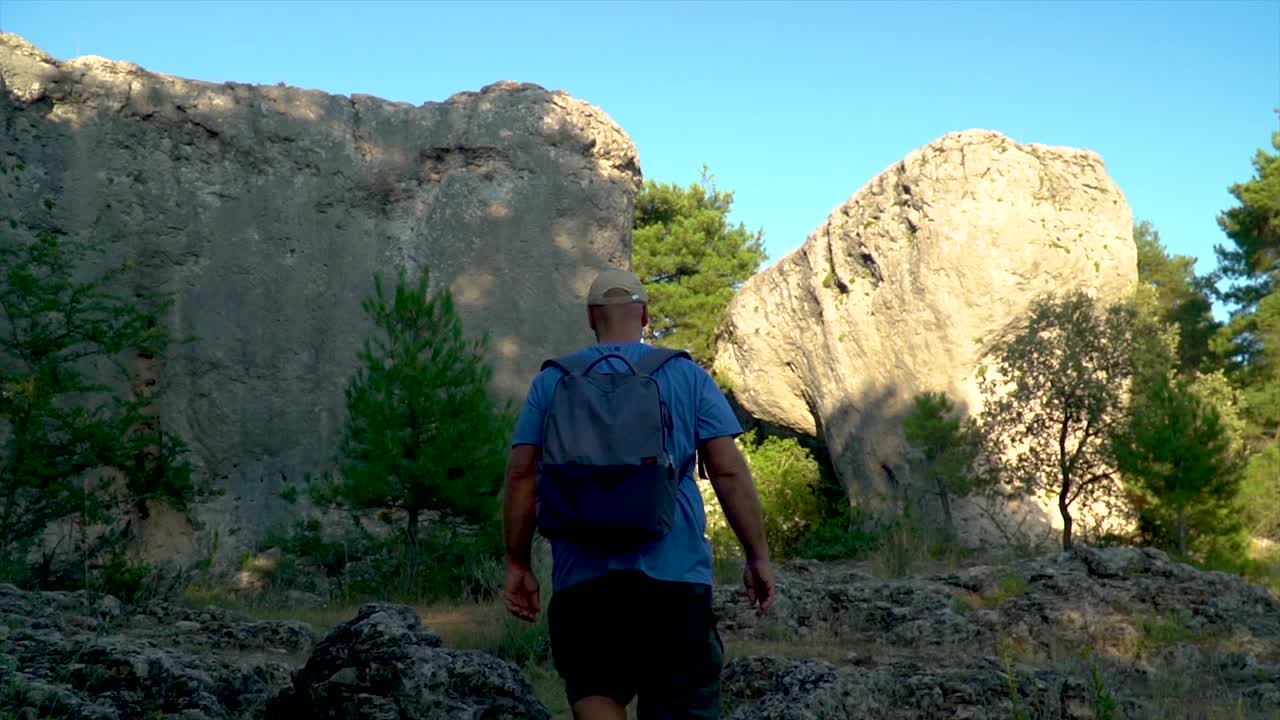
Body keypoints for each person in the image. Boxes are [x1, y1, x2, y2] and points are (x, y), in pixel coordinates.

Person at [501, 267, 776, 720]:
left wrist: (517, 563)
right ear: (645, 315)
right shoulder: (686, 375)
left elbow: (521, 475)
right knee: (680, 701)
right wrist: (756, 556)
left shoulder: (552, 381)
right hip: (674, 581)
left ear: (592, 318)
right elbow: (727, 471)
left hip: (583, 582)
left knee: (595, 692)